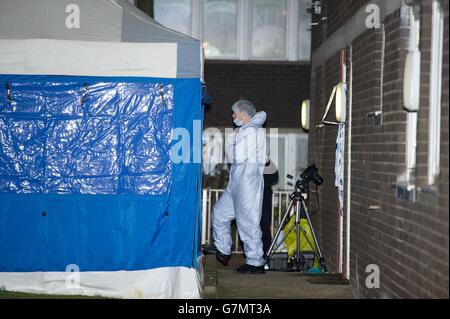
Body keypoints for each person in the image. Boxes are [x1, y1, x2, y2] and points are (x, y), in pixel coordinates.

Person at [204, 99, 267, 274]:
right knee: (220, 213)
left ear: (244, 114)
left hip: (248, 181)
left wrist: (231, 141)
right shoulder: (247, 131)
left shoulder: (252, 131)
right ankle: (223, 249)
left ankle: (255, 262)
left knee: (248, 221)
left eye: (235, 113)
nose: (233, 116)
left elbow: (237, 156)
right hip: (237, 181)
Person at [261, 159, 279, 258]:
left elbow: (274, 177)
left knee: (264, 225)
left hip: (264, 198)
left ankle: (265, 253)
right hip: (252, 198)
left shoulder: (265, 161)